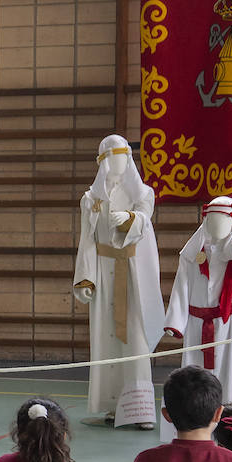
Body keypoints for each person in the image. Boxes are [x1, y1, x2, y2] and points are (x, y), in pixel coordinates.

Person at [72, 134, 164, 427]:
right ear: (102, 162)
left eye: (122, 156)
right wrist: (85, 278)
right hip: (103, 273)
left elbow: (144, 221)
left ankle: (140, 411)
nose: (118, 162)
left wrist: (128, 219)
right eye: (111, 157)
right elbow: (87, 240)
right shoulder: (91, 200)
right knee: (106, 340)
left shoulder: (143, 194)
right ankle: (113, 405)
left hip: (132, 276)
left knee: (133, 340)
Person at [163, 196, 232, 404]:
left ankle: (225, 422)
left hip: (227, 326)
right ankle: (193, 420)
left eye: (223, 219)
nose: (217, 225)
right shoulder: (192, 254)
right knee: (194, 377)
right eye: (212, 219)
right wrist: (175, 322)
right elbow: (181, 287)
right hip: (195, 326)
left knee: (226, 375)